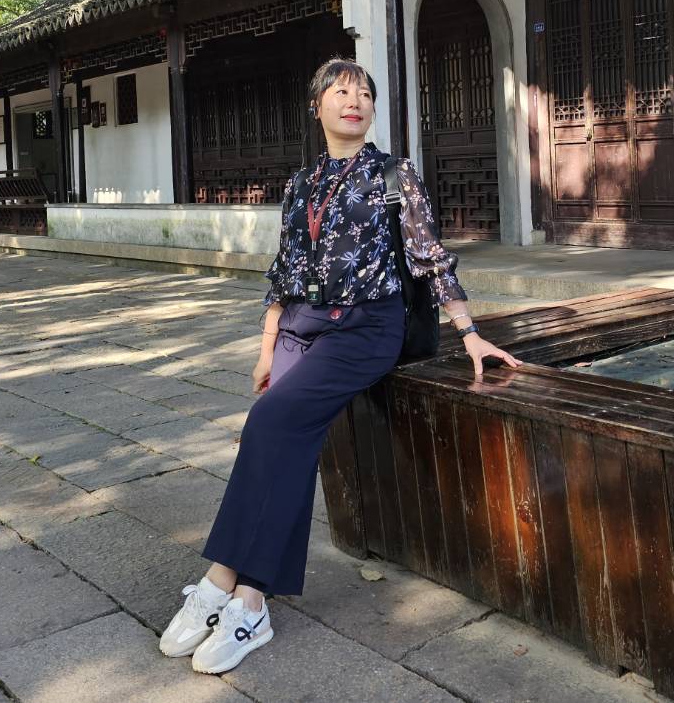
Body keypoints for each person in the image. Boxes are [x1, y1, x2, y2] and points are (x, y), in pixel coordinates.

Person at [159, 57, 520, 674]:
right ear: (317, 106)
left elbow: (430, 255)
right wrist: (267, 345)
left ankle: (223, 581)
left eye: (364, 93)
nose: (354, 100)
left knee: (271, 423)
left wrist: (469, 332)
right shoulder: (301, 184)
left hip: (367, 328)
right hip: (303, 322)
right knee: (285, 441)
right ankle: (251, 600)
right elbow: (284, 271)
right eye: (340, 91)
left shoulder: (393, 174)